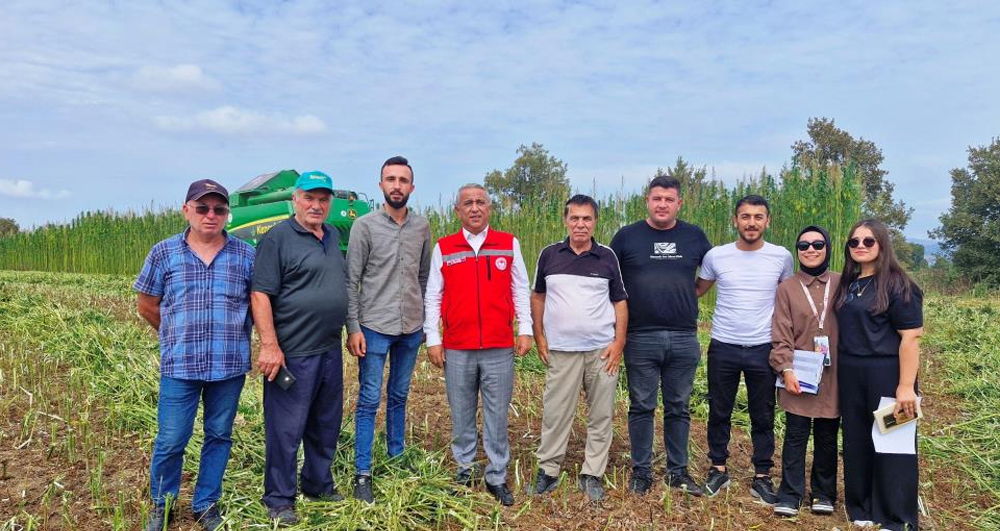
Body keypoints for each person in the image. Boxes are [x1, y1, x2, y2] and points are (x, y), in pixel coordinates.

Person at [135, 179, 255, 531]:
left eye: (218, 209)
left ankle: (206, 503)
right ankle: (163, 502)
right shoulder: (163, 252)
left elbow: (258, 303)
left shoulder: (246, 254)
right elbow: (146, 304)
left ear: (226, 214)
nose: (210, 215)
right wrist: (173, 333)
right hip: (180, 365)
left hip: (228, 365)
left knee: (219, 435)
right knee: (172, 439)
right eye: (202, 208)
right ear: (187, 210)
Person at [423, 183, 533, 506]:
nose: (474, 208)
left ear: (489, 208)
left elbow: (520, 289)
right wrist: (433, 338)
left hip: (499, 345)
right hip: (457, 346)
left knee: (497, 413)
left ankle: (497, 474)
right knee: (461, 411)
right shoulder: (444, 248)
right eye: (467, 203)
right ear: (457, 210)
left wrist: (524, 329)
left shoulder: (507, 244)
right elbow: (433, 296)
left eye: (480, 202)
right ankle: (466, 467)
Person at [251, 171, 349, 525]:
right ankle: (279, 498)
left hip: (328, 350)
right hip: (292, 353)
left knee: (325, 423)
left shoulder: (332, 235)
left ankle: (317, 483)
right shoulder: (277, 238)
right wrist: (269, 345)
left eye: (323, 199)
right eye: (310, 198)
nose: (316, 205)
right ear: (295, 199)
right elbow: (260, 293)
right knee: (286, 429)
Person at [609, 176, 713, 496]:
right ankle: (641, 472)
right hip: (640, 336)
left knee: (679, 406)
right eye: (657, 198)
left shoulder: (694, 236)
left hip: (683, 336)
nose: (662, 204)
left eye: (669, 199)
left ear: (679, 203)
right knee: (641, 405)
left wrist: (686, 294)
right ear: (647, 201)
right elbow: (611, 282)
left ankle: (677, 472)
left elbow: (707, 275)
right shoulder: (627, 237)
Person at [530, 195, 628, 502]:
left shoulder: (607, 257)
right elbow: (538, 297)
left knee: (600, 415)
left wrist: (619, 342)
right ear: (565, 220)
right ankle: (548, 471)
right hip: (562, 350)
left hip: (600, 351)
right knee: (556, 413)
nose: (580, 224)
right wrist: (539, 336)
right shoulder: (549, 255)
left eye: (587, 219)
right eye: (575, 218)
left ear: (595, 221)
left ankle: (592, 473)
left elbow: (620, 301)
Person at [696, 194, 793, 502]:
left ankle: (762, 476)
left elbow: (788, 300)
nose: (751, 222)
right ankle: (718, 469)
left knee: (762, 414)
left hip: (763, 347)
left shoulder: (781, 257)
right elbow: (696, 291)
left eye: (758, 217)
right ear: (735, 220)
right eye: (745, 216)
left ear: (768, 221)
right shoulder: (716, 256)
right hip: (723, 344)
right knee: (719, 410)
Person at [345, 156, 432, 503]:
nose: (397, 185)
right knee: (368, 400)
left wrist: (425, 320)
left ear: (412, 187)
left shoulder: (422, 227)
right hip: (374, 326)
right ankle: (362, 471)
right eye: (390, 179)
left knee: (399, 396)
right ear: (381, 184)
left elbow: (423, 277)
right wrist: (353, 327)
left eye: (403, 180)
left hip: (410, 326)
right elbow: (351, 281)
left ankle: (396, 458)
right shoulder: (364, 227)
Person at [833, 219, 923, 530]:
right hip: (851, 373)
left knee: (893, 442)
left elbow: (911, 337)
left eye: (868, 241)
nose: (860, 246)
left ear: (882, 245)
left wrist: (906, 386)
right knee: (857, 440)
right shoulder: (851, 283)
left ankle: (897, 517)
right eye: (854, 241)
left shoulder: (899, 285)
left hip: (886, 373)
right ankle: (862, 508)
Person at [769, 225, 841, 517]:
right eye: (803, 245)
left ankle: (824, 492)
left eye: (817, 244)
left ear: (827, 248)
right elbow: (781, 332)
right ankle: (790, 492)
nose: (811, 249)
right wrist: (785, 369)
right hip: (799, 373)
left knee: (827, 434)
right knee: (796, 434)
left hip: (835, 374)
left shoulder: (843, 282)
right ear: (797, 251)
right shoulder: (786, 288)